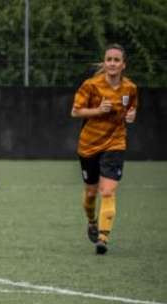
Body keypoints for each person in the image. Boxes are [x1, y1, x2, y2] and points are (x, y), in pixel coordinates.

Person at [71, 44, 137, 255]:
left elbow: (132, 108)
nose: (112, 63)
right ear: (105, 62)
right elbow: (75, 111)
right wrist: (98, 110)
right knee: (91, 193)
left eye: (116, 60)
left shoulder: (130, 88)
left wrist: (131, 116)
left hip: (115, 143)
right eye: (109, 59)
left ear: (123, 65)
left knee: (107, 191)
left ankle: (103, 237)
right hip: (89, 145)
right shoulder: (91, 86)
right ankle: (92, 221)